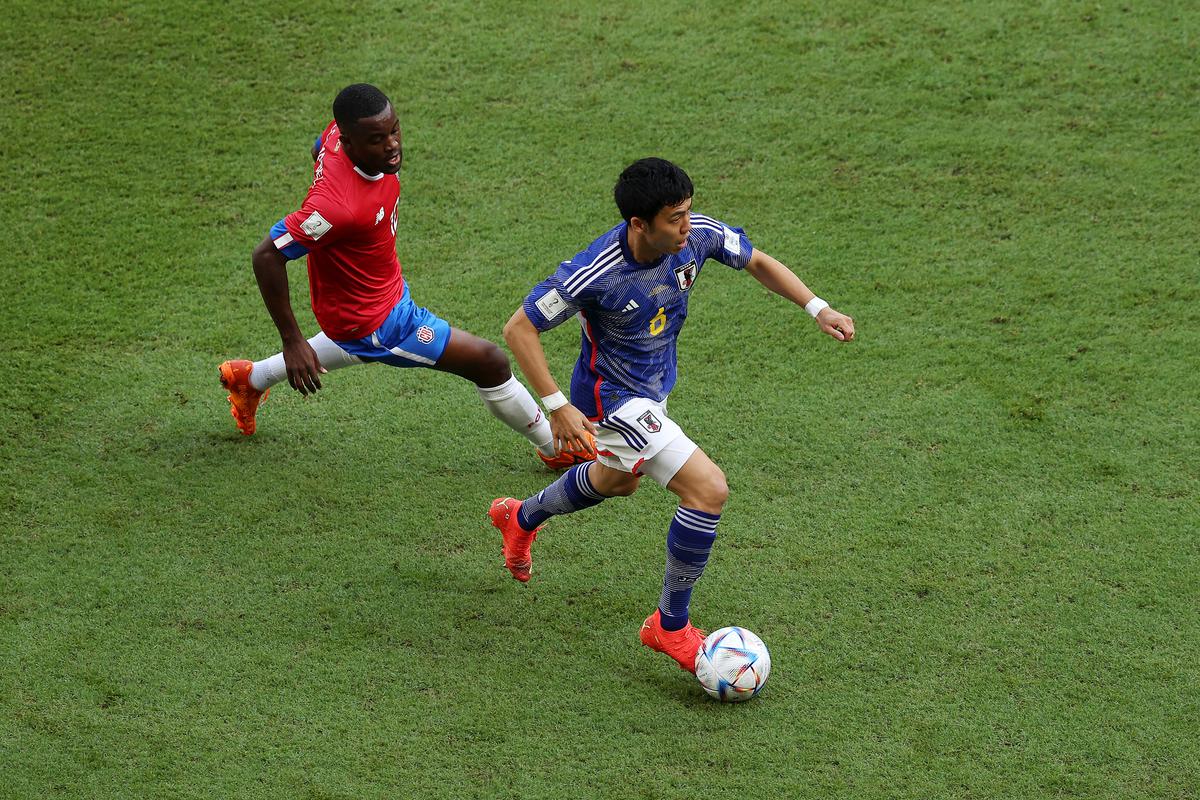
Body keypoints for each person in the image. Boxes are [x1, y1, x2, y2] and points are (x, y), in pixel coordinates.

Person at [488, 157, 855, 673]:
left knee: (617, 482)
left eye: (688, 212)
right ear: (639, 224)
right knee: (708, 489)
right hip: (611, 399)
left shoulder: (696, 235)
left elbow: (756, 261)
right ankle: (670, 624)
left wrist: (819, 308)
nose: (688, 226)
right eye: (674, 219)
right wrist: (558, 409)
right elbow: (518, 329)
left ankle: (520, 516)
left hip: (653, 389)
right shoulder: (595, 272)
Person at [218, 83, 590, 470]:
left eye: (394, 130)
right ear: (349, 141)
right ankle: (557, 447)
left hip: (376, 294)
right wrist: (293, 340)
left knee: (352, 344)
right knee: (489, 361)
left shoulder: (336, 135)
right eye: (377, 139)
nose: (392, 145)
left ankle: (250, 378)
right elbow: (266, 256)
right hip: (378, 320)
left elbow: (320, 151)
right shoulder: (336, 209)